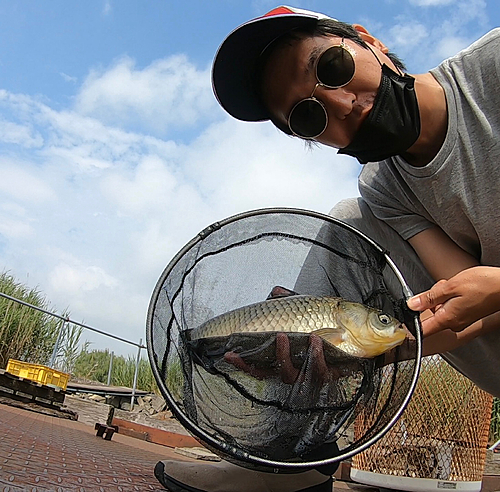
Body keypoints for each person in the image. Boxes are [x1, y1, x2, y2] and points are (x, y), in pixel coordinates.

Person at [155, 5, 500, 491]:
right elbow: (467, 307)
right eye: (308, 115)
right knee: (349, 220)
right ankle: (293, 464)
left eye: (331, 67)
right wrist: (343, 357)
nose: (340, 104)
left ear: (366, 40)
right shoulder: (384, 189)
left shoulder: (493, 68)